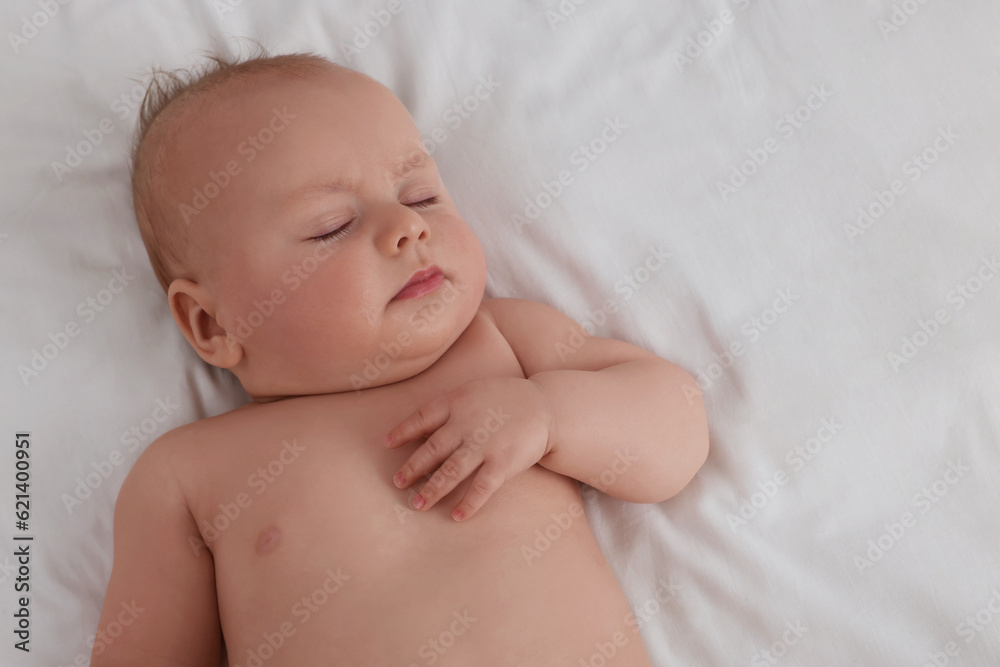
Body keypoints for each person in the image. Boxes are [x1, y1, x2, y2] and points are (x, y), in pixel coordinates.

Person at [91, 48, 709, 666]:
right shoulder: (187, 474)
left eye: (420, 197)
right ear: (211, 322)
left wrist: (551, 414)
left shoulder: (503, 345)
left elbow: (677, 425)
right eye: (330, 226)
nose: (406, 228)